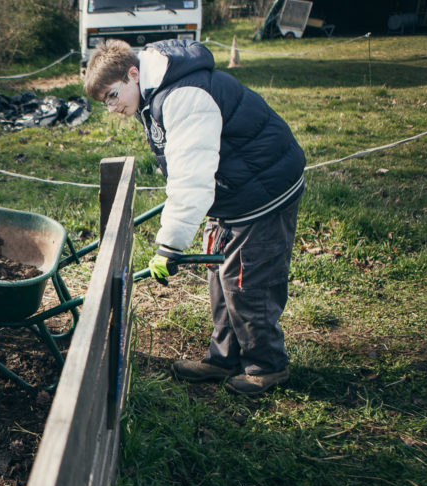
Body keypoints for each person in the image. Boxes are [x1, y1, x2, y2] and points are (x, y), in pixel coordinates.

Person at [84, 39, 305, 396]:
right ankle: (224, 357)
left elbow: (191, 178)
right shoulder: (156, 93)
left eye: (112, 95)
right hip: (233, 190)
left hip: (263, 189)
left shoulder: (183, 96)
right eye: (104, 102)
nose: (111, 108)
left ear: (133, 74)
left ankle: (267, 366)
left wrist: (169, 245)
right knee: (220, 277)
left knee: (247, 281)